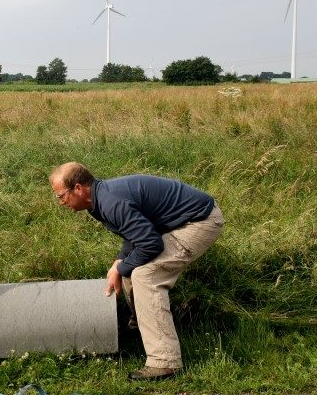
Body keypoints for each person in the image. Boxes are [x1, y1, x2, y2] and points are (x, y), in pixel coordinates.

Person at [49, 162, 224, 381]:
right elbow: (135, 233)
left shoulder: (110, 202)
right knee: (129, 269)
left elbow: (151, 244)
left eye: (61, 196)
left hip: (200, 222)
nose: (61, 202)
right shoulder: (99, 199)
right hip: (181, 221)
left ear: (78, 188)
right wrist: (120, 262)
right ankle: (141, 327)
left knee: (146, 275)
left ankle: (164, 362)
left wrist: (120, 267)